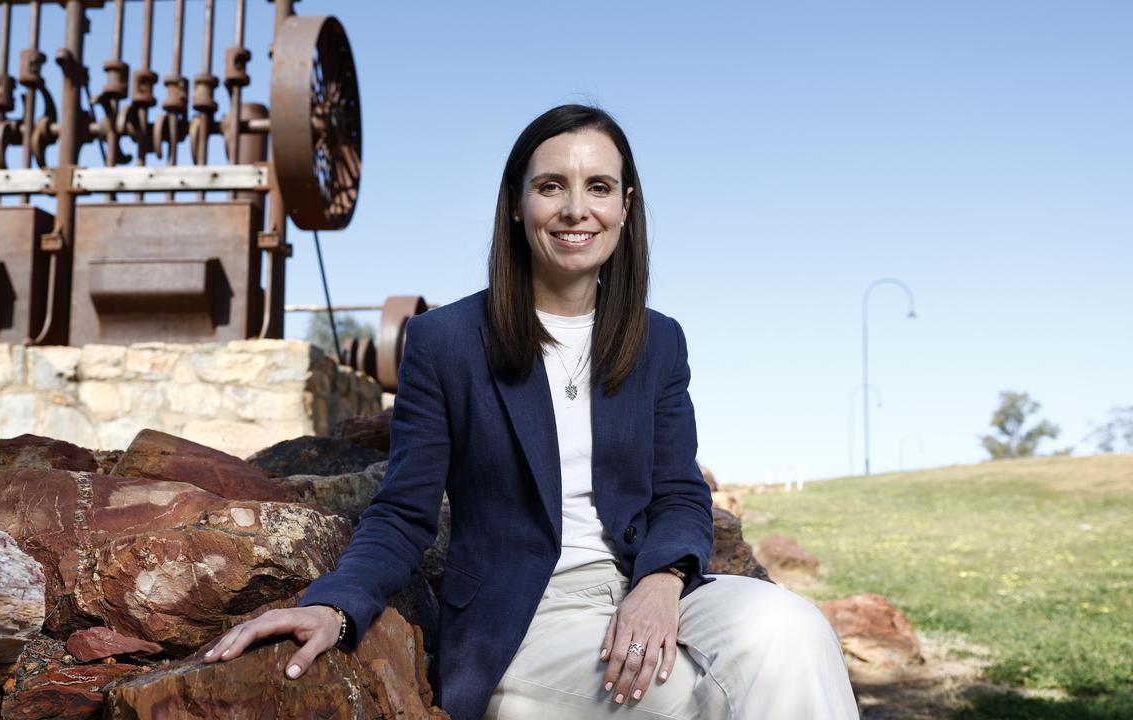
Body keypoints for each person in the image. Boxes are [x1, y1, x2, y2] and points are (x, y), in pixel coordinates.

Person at [204, 104, 859, 720]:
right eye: (552, 186)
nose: (577, 209)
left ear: (625, 207)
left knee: (796, 630)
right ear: (517, 205)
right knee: (702, 697)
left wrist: (660, 582)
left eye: (599, 187)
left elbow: (680, 494)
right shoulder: (446, 343)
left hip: (648, 591)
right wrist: (335, 609)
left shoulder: (659, 341)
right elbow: (403, 514)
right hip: (522, 621)